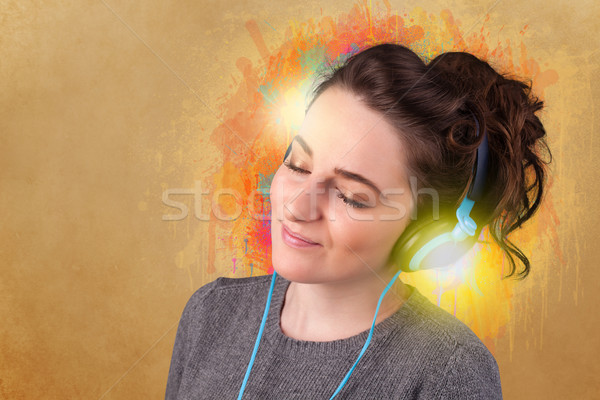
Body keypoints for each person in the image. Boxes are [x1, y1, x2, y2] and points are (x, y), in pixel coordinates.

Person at [165, 43, 550, 399]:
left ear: (425, 232)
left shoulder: (449, 374)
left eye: (351, 196)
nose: (298, 206)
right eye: (297, 165)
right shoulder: (210, 312)